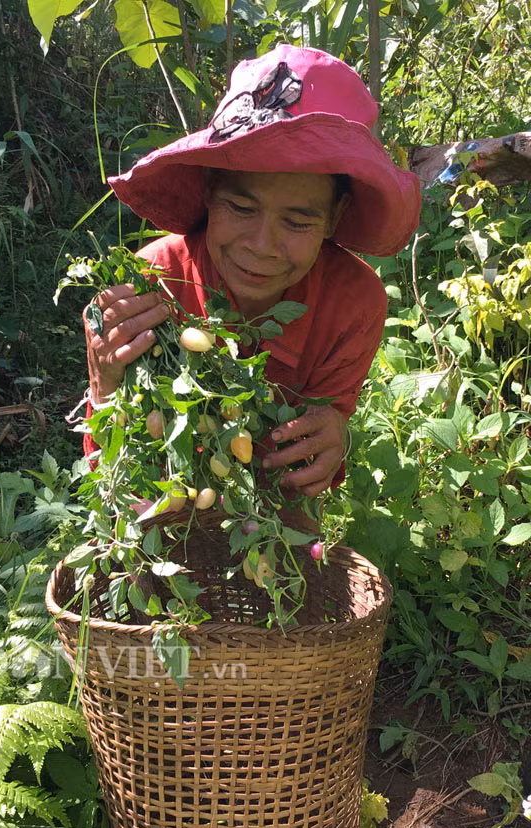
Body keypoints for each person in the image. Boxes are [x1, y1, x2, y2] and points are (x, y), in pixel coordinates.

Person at [83, 45, 421, 497]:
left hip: (267, 521)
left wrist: (334, 436)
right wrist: (105, 384)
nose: (262, 246)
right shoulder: (149, 286)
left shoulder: (354, 303)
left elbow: (322, 445)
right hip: (162, 508)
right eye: (241, 207)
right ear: (208, 190)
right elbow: (106, 468)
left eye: (298, 221)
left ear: (335, 217)